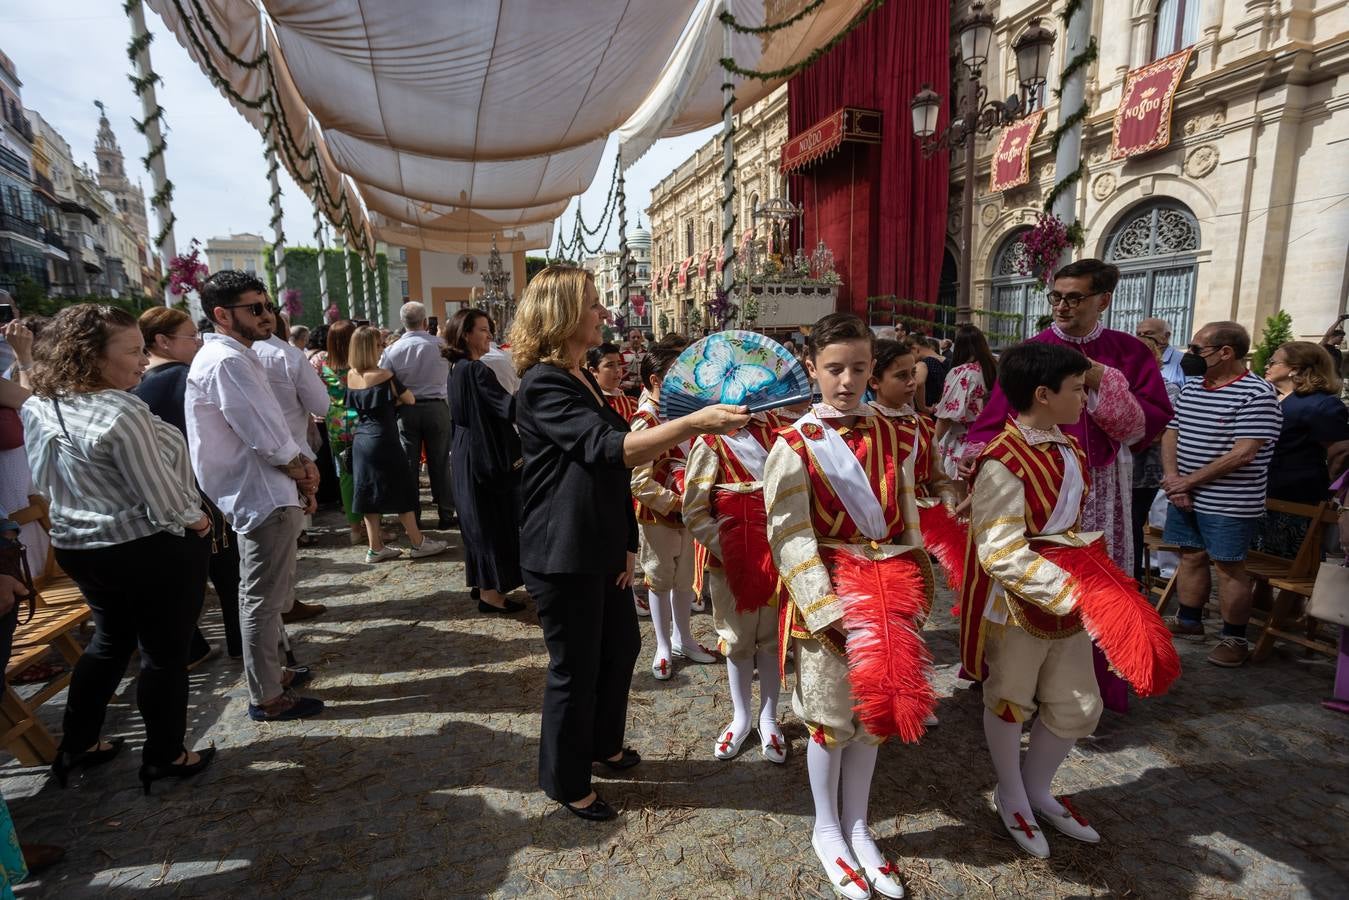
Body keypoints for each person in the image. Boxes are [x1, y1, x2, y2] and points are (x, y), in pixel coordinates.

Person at [510, 265, 746, 822]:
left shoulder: (579, 376)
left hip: (594, 541)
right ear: (565, 315)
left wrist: (624, 543)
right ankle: (567, 781)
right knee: (574, 667)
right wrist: (693, 424)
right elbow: (608, 450)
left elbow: (605, 473)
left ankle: (603, 746)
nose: (602, 313)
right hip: (561, 550)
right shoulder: (544, 382)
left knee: (621, 647)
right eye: (592, 304)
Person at [763, 312, 934, 899]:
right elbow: (788, 534)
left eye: (859, 368)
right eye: (834, 368)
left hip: (888, 590)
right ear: (811, 368)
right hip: (831, 593)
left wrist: (914, 581)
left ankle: (859, 823)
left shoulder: (894, 434)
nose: (848, 380)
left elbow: (905, 513)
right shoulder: (794, 444)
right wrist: (822, 606)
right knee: (832, 718)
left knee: (874, 716)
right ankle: (826, 827)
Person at [21, 304, 217, 791]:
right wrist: (199, 522)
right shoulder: (121, 411)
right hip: (146, 548)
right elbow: (165, 500)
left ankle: (79, 744)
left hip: (80, 547)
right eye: (131, 350)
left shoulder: (43, 403)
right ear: (88, 356)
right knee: (164, 656)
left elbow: (44, 484)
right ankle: (166, 755)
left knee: (108, 644)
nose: (142, 359)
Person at [965, 258, 1173, 711]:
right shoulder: (1032, 351)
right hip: (1035, 479)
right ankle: (1019, 677)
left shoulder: (1128, 353)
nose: (1062, 306)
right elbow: (992, 422)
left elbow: (1141, 427)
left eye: (1074, 297)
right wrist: (977, 463)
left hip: (1102, 482)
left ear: (1103, 300)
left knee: (1099, 572)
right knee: (1024, 567)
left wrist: (1103, 379)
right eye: (1056, 297)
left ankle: (1091, 682)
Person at [958, 341, 1104, 859]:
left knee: (1078, 702)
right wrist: (1071, 591)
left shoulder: (1071, 448)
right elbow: (998, 549)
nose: (1086, 399)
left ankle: (1036, 785)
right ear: (1044, 395)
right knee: (1010, 697)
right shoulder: (1002, 460)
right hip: (1019, 601)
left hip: (1069, 596)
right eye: (1078, 390)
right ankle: (1011, 789)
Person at [187, 271, 325, 722]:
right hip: (259, 493)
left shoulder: (237, 356)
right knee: (261, 599)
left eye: (268, 306)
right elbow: (266, 437)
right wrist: (303, 474)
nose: (267, 316)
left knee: (268, 596)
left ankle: (272, 677)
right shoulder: (227, 361)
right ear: (222, 315)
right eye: (256, 308)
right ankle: (266, 693)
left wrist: (299, 472)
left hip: (265, 491)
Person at [1162, 321, 1282, 668]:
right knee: (1191, 555)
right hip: (1184, 494)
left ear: (1225, 352)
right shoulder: (1192, 388)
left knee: (1230, 567)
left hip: (1229, 501)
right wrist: (1173, 478)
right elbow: (1172, 432)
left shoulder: (1256, 394)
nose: (1190, 356)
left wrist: (1190, 481)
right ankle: (1189, 619)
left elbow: (1244, 452)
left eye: (1199, 349)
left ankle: (1234, 636)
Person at [132, 307, 243, 662]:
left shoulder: (134, 384)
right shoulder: (182, 375)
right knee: (227, 571)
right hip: (195, 487)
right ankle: (242, 641)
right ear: (162, 341)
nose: (198, 342)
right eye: (190, 336)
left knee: (181, 578)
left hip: (160, 491)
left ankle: (193, 645)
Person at [682, 407, 786, 764]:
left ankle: (769, 716)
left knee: (772, 640)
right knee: (738, 640)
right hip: (730, 563)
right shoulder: (710, 442)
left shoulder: (781, 432)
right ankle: (741, 717)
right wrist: (733, 549)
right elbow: (694, 510)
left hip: (779, 557)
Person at [631, 339, 717, 680]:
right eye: (676, 373)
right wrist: (677, 503)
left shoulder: (685, 413)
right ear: (656, 380)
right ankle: (663, 644)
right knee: (660, 578)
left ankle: (685, 638)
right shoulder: (645, 421)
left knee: (686, 580)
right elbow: (639, 482)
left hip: (688, 513)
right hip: (659, 516)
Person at [347, 326, 449, 563]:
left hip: (361, 440)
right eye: (378, 345)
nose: (381, 348)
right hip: (385, 439)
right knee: (403, 489)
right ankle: (418, 541)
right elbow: (410, 398)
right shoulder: (384, 376)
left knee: (367, 493)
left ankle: (375, 547)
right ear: (370, 349)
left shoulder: (351, 376)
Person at [253, 305, 330, 617]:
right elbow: (321, 404)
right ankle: (282, 606)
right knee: (283, 540)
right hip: (288, 452)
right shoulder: (286, 354)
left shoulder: (241, 354)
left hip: (255, 457)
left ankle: (282, 604)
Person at [445, 309, 522, 611]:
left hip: (466, 448)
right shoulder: (475, 370)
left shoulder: (457, 367)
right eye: (482, 330)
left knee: (477, 520)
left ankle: (483, 584)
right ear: (465, 334)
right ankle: (492, 593)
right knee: (490, 520)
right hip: (482, 451)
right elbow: (507, 408)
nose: (489, 335)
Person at [1255, 341, 1349, 556]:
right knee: (1258, 562)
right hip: (1262, 492)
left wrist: (1333, 486)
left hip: (1297, 495)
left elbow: (1341, 450)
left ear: (1295, 369)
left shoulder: (1321, 404)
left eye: (1273, 361)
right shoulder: (1268, 398)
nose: (1267, 366)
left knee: (1289, 563)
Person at [380, 301, 455, 529]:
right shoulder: (441, 345)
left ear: (403, 324)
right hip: (436, 407)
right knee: (440, 462)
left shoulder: (392, 350)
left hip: (407, 408)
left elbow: (383, 378)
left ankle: (414, 516)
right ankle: (446, 513)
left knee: (409, 464)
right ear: (425, 322)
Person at [312, 321, 368, 544]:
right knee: (367, 474)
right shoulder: (359, 363)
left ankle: (354, 528)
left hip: (336, 422)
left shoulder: (322, 362)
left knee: (346, 475)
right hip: (362, 421)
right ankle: (373, 526)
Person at [934, 324, 997, 482]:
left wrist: (930, 446)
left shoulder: (962, 373)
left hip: (960, 444)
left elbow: (946, 417)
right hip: (986, 440)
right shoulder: (991, 369)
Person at [587, 343, 638, 420]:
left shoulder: (631, 403)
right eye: (610, 365)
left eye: (619, 364)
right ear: (593, 371)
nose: (617, 369)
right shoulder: (588, 405)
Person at [1135, 318, 1186, 391]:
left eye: (1149, 333)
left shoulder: (1182, 361)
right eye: (1138, 334)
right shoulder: (1134, 359)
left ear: (1166, 336)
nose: (1142, 337)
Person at [910, 336, 949, 414]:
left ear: (916, 349)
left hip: (926, 412)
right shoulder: (948, 361)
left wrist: (923, 407)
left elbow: (919, 383)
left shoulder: (923, 363)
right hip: (941, 410)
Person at [619, 327, 648, 397]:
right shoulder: (621, 355)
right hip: (627, 391)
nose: (636, 339)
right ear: (629, 339)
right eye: (633, 337)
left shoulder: (647, 354)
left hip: (645, 390)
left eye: (638, 337)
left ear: (641, 339)